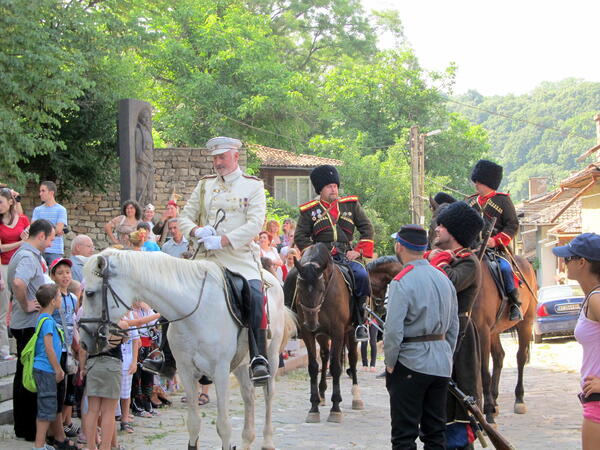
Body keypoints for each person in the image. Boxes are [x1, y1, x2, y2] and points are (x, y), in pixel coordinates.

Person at [175, 136, 270, 385]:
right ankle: (164, 354)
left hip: (238, 258)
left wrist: (225, 240)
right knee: (172, 292)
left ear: (235, 156)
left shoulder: (253, 186)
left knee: (256, 294)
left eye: (222, 157)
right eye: (215, 158)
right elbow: (185, 217)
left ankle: (259, 356)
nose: (218, 162)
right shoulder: (205, 185)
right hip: (205, 257)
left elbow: (254, 224)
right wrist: (196, 231)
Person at [384, 224, 459, 450]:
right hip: (441, 362)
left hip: (410, 363)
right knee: (435, 433)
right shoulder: (443, 277)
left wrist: (390, 363)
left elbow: (393, 330)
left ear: (400, 246)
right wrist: (446, 354)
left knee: (404, 436)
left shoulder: (402, 281)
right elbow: (454, 326)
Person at [294, 164, 374, 341]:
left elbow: (367, 228)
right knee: (294, 277)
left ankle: (360, 321)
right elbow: (300, 236)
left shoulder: (351, 205)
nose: (334, 189)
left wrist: (359, 251)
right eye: (329, 186)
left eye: (335, 186)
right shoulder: (309, 211)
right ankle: (294, 319)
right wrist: (312, 253)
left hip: (346, 255)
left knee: (361, 275)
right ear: (320, 189)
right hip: (320, 258)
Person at [428, 201, 484, 449]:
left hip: (460, 334)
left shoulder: (469, 262)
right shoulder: (449, 257)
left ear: (455, 232)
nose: (437, 229)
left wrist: (438, 260)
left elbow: (448, 282)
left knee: (459, 403)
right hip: (439, 333)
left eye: (442, 225)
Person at [7, 219, 55, 441]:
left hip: (26, 323)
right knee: (27, 376)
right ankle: (26, 427)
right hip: (27, 323)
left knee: (23, 374)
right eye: (51, 237)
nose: (53, 241)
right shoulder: (27, 256)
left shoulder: (28, 253)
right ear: (42, 235)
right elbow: (18, 283)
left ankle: (24, 426)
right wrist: (26, 303)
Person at [552, 233, 600, 450]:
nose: (564, 262)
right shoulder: (592, 296)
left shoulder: (597, 298)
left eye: (568, 258)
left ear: (582, 263)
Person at [466, 159, 521, 321]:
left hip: (495, 250)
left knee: (504, 268)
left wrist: (495, 241)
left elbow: (513, 225)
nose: (476, 185)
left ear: (487, 182)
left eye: (479, 182)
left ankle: (514, 302)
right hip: (472, 248)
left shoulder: (502, 200)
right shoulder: (470, 201)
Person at [32, 283, 66, 450]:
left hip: (45, 368)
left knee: (48, 406)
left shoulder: (44, 318)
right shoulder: (47, 321)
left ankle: (42, 444)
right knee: (46, 408)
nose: (61, 299)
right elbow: (48, 347)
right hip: (46, 369)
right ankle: (39, 446)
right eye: (59, 297)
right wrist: (58, 368)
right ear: (53, 301)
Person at [0, 187, 30, 360]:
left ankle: (24, 347)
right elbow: (0, 248)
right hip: (4, 265)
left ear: (10, 202)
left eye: (1, 202)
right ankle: (4, 350)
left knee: (23, 305)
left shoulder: (22, 219)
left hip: (21, 264)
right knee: (3, 310)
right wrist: (20, 242)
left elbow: (30, 236)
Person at [32, 181, 68, 266]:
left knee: (55, 276)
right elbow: (33, 229)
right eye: (40, 191)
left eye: (43, 191)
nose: (40, 193)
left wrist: (41, 232)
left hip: (55, 250)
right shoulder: (37, 210)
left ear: (51, 193)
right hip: (39, 249)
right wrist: (54, 231)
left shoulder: (61, 210)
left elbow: (59, 229)